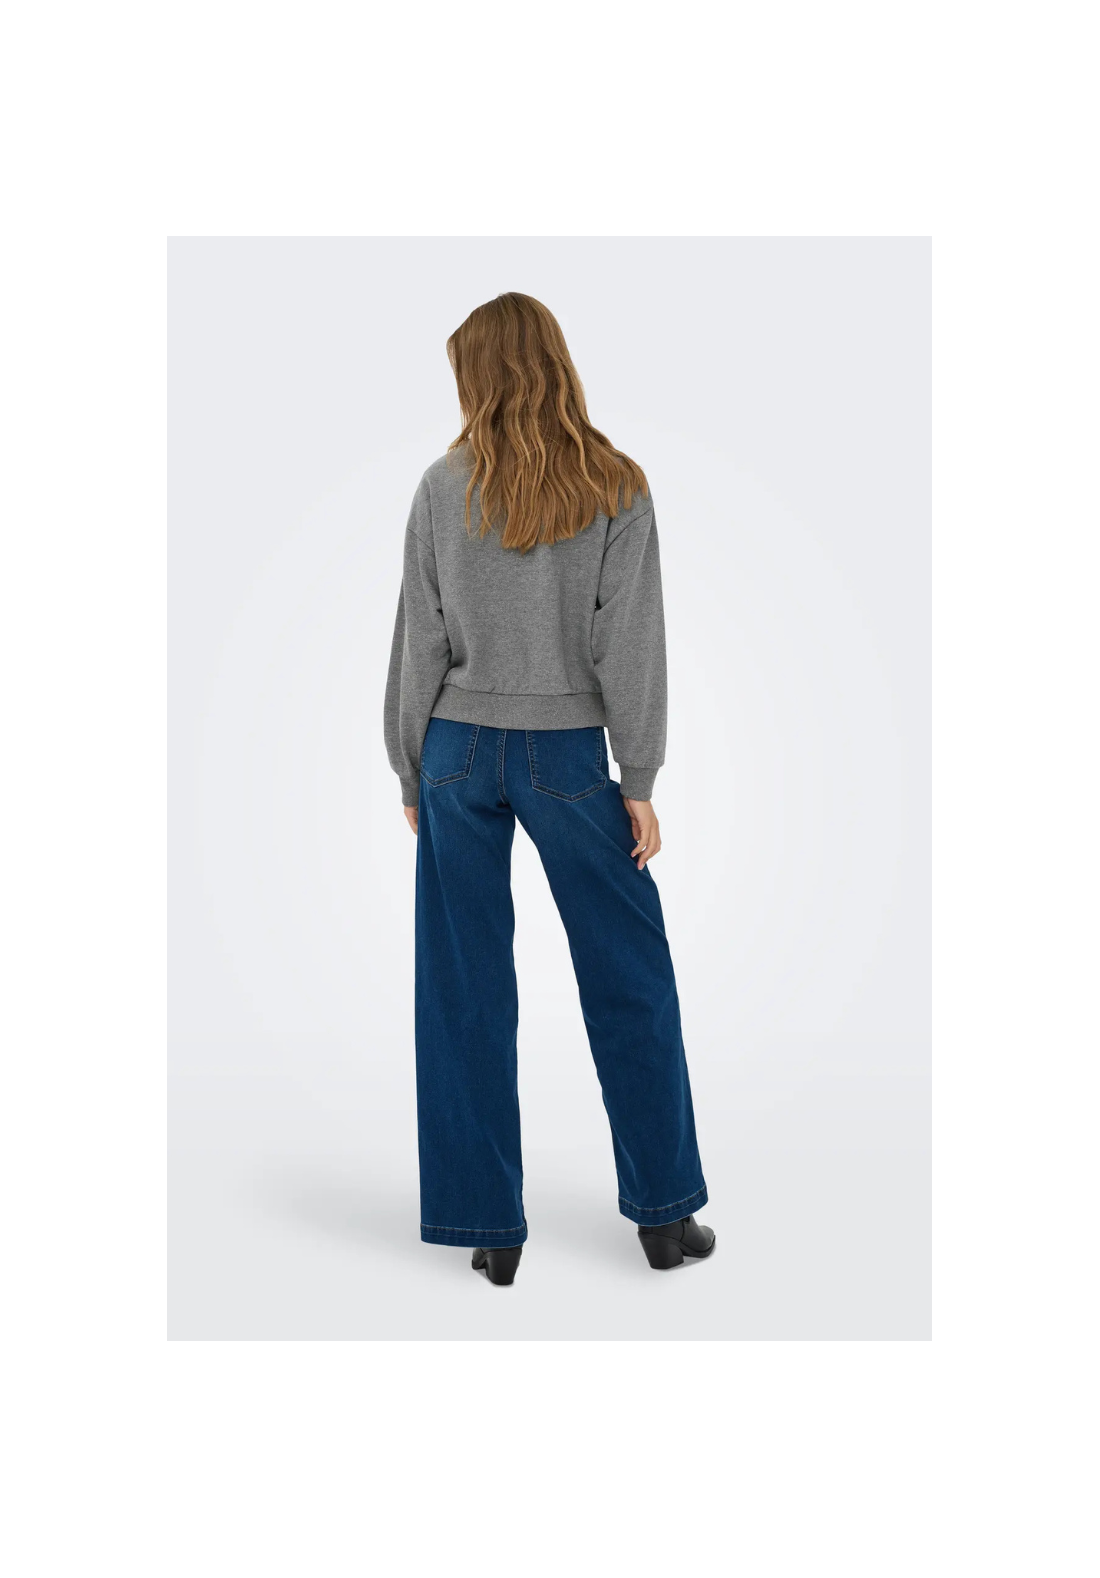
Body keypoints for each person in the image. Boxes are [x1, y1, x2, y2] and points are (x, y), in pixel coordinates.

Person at [384, 292, 714, 1285]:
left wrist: (409, 765)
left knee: (461, 988)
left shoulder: (443, 486)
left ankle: (488, 1229)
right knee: (630, 976)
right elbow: (631, 641)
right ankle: (664, 1216)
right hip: (566, 758)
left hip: (454, 752)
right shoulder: (615, 486)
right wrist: (637, 776)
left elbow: (420, 638)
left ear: (479, 376)